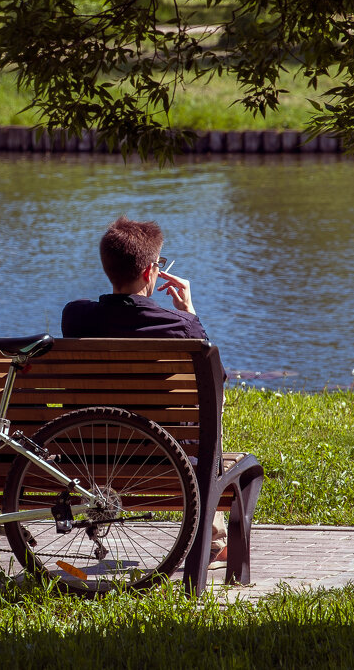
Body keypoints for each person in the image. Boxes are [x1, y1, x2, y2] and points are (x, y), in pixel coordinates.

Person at [61, 216, 228, 569]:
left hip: (86, 453)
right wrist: (190, 314)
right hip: (164, 460)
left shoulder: (75, 317)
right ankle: (214, 542)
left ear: (108, 268)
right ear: (151, 272)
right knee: (210, 412)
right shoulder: (179, 326)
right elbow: (218, 383)